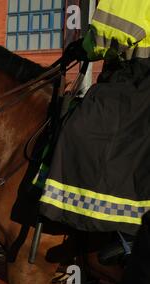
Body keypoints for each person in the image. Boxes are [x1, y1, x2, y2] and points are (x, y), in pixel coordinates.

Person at [38, 0, 150, 237]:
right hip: (140, 77)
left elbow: (107, 34)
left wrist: (85, 46)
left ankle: (107, 228)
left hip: (136, 78)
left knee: (80, 129)